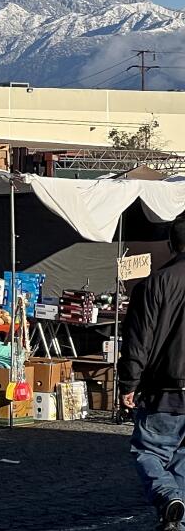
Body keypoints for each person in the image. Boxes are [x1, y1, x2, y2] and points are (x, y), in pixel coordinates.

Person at [120, 216, 185, 531]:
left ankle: (167, 496)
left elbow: (138, 339)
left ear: (172, 243)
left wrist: (128, 382)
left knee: (148, 452)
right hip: (169, 386)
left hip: (165, 388)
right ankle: (176, 520)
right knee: (183, 460)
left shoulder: (155, 282)